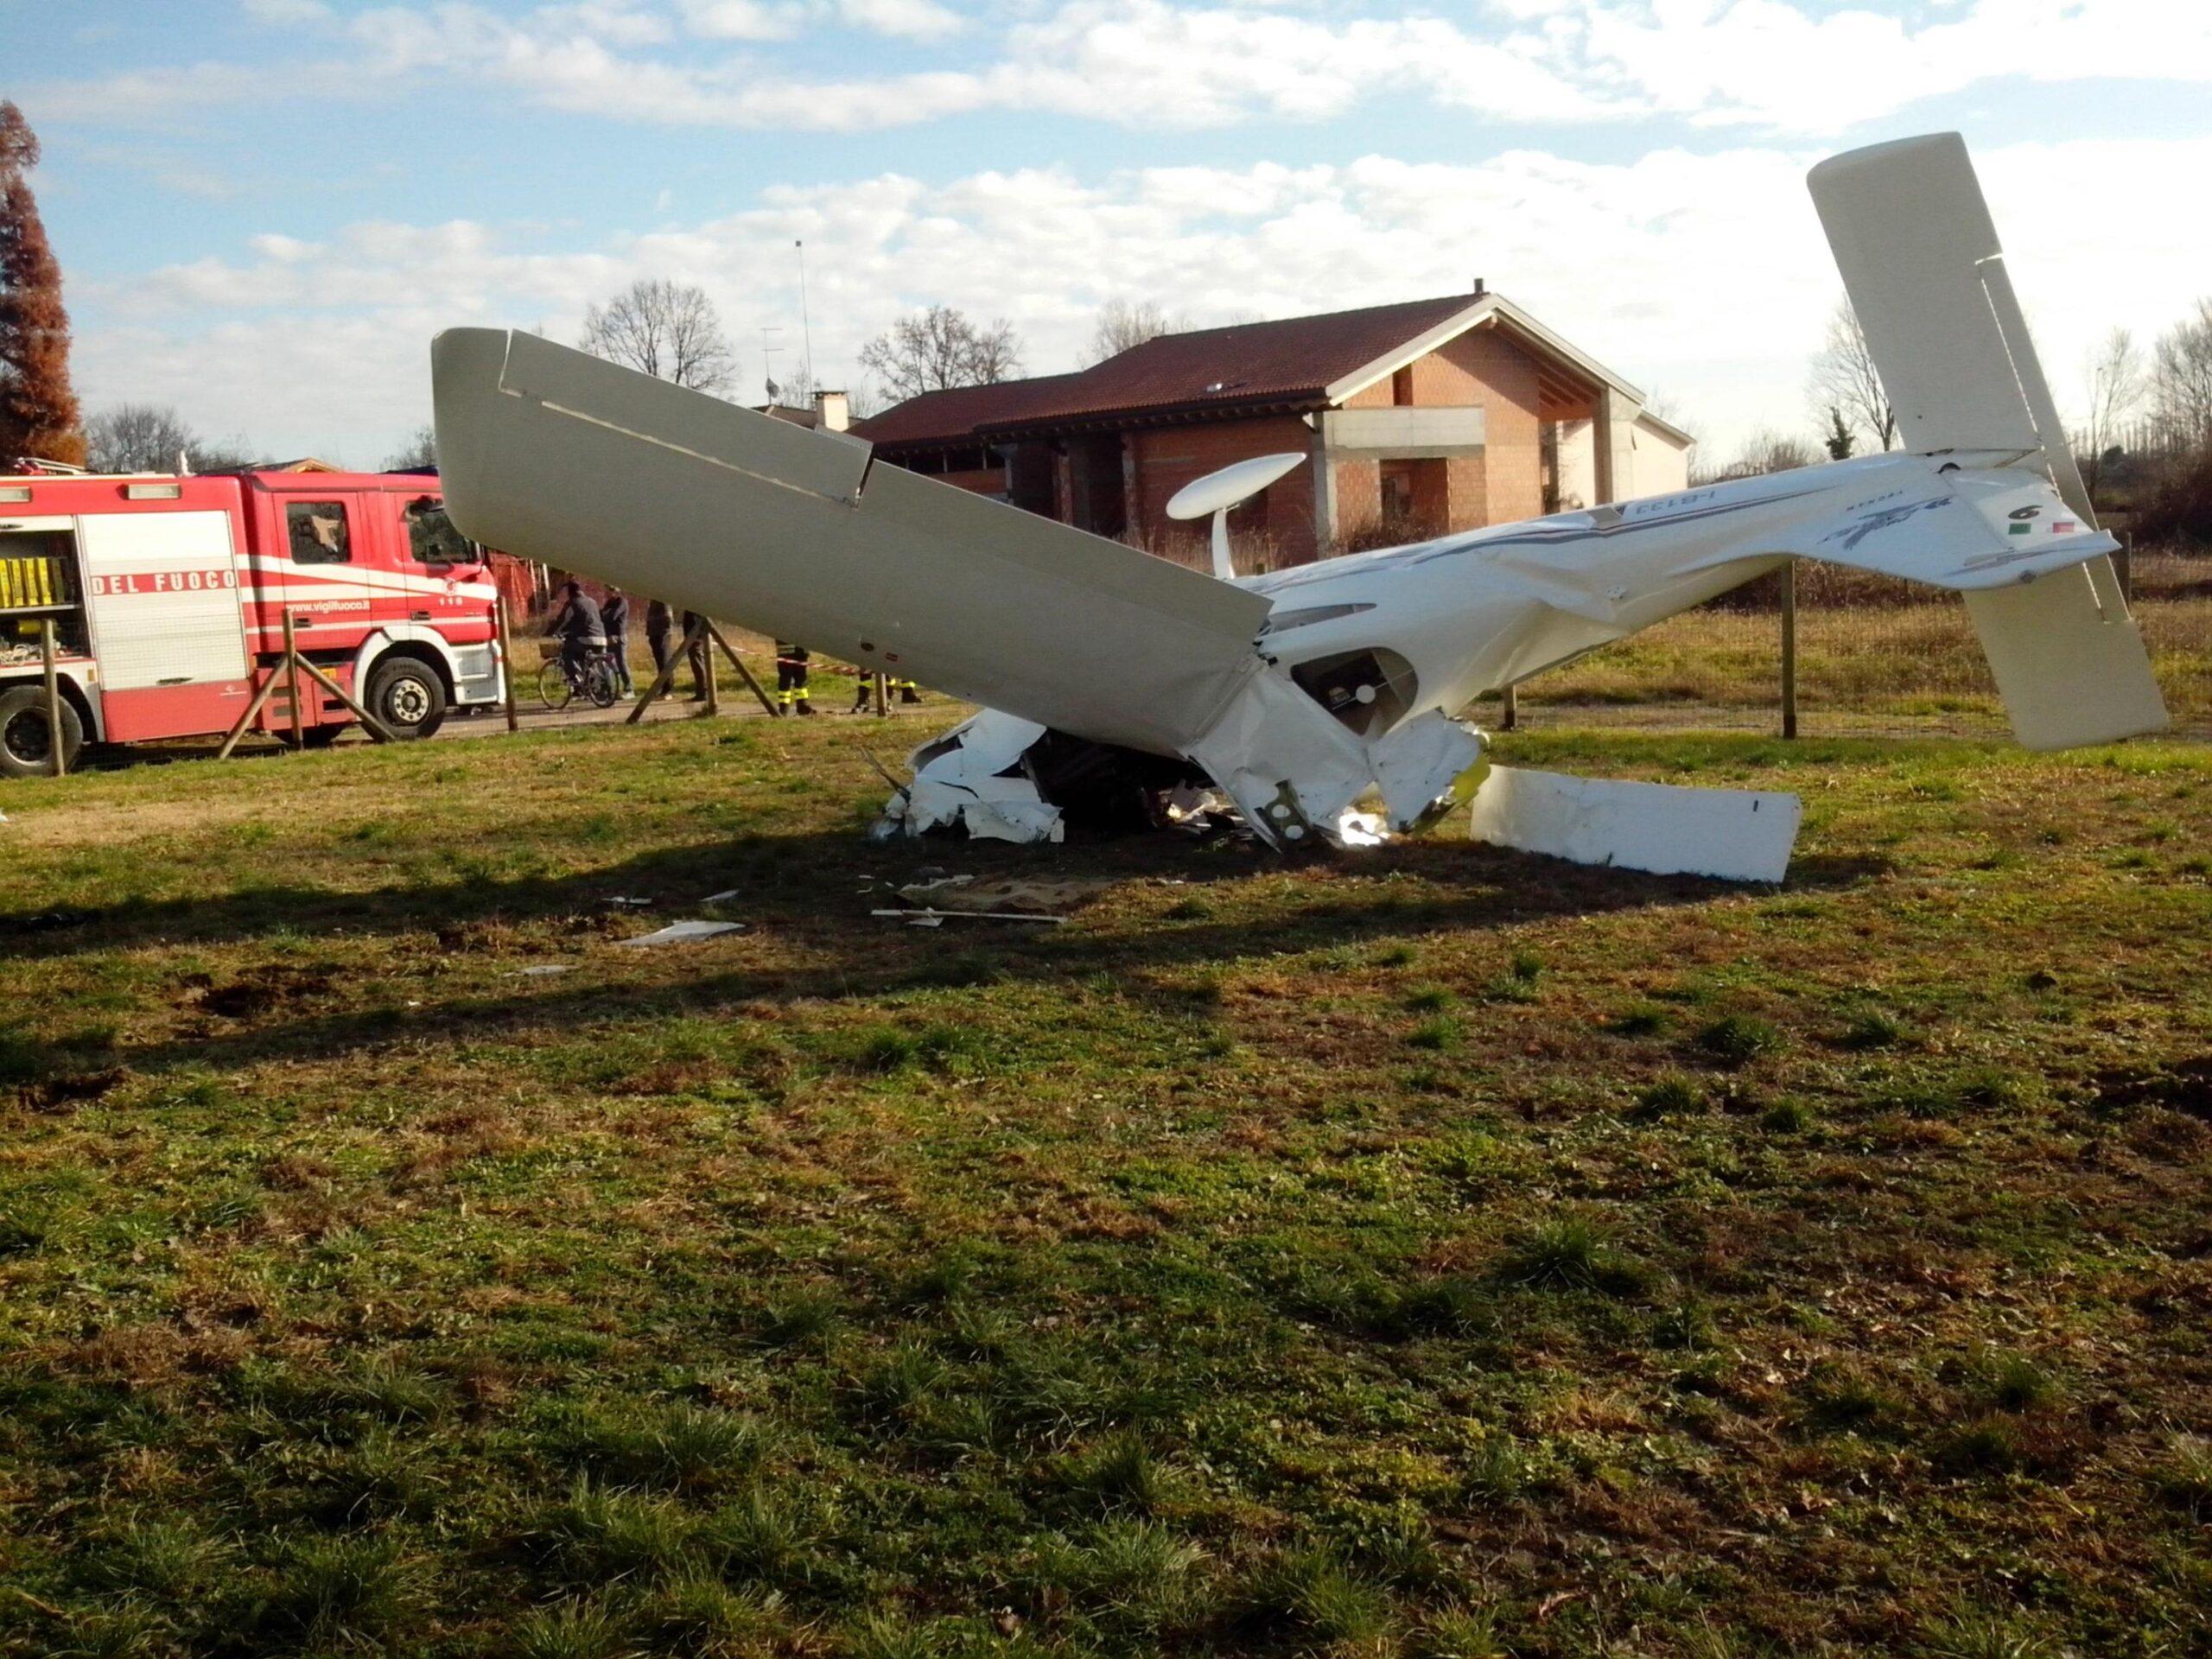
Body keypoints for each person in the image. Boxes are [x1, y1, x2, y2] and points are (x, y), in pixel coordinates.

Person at [545, 579, 606, 692]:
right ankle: (589, 687)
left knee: (566, 653)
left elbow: (562, 620)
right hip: (602, 638)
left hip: (586, 638)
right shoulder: (592, 602)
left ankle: (575, 679)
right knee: (582, 657)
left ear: (570, 592)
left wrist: (549, 633)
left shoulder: (573, 603)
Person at [600, 585, 632, 696]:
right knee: (606, 663)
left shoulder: (622, 602)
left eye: (607, 592)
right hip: (608, 637)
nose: (605, 594)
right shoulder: (609, 603)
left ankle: (629, 688)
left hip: (619, 637)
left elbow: (612, 616)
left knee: (621, 662)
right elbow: (602, 616)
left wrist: (604, 614)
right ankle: (608, 688)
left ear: (614, 591)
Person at [774, 640, 816, 715]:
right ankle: (783, 707)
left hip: (801, 647)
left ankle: (802, 705)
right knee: (786, 677)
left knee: (801, 677)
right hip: (786, 647)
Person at [645, 598, 676, 687]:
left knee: (664, 661)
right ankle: (662, 686)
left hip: (662, 634)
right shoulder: (653, 601)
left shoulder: (663, 599)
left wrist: (665, 632)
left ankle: (668, 687)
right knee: (659, 661)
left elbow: (668, 618)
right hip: (654, 634)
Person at [681, 610, 709, 702]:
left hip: (695, 633)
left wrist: (695, 635)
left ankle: (703, 692)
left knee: (697, 662)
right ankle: (702, 691)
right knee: (696, 661)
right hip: (694, 632)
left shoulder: (693, 606)